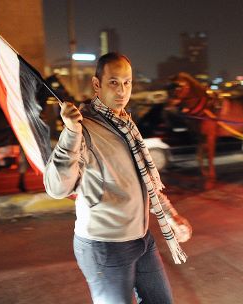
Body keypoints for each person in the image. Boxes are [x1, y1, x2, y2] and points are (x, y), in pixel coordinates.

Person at [44, 52, 192, 304]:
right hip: (104, 245)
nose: (122, 91)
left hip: (141, 239)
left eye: (127, 82)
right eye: (113, 82)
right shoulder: (85, 128)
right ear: (96, 84)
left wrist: (170, 215)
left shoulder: (126, 124)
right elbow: (57, 188)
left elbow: (145, 182)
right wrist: (70, 132)